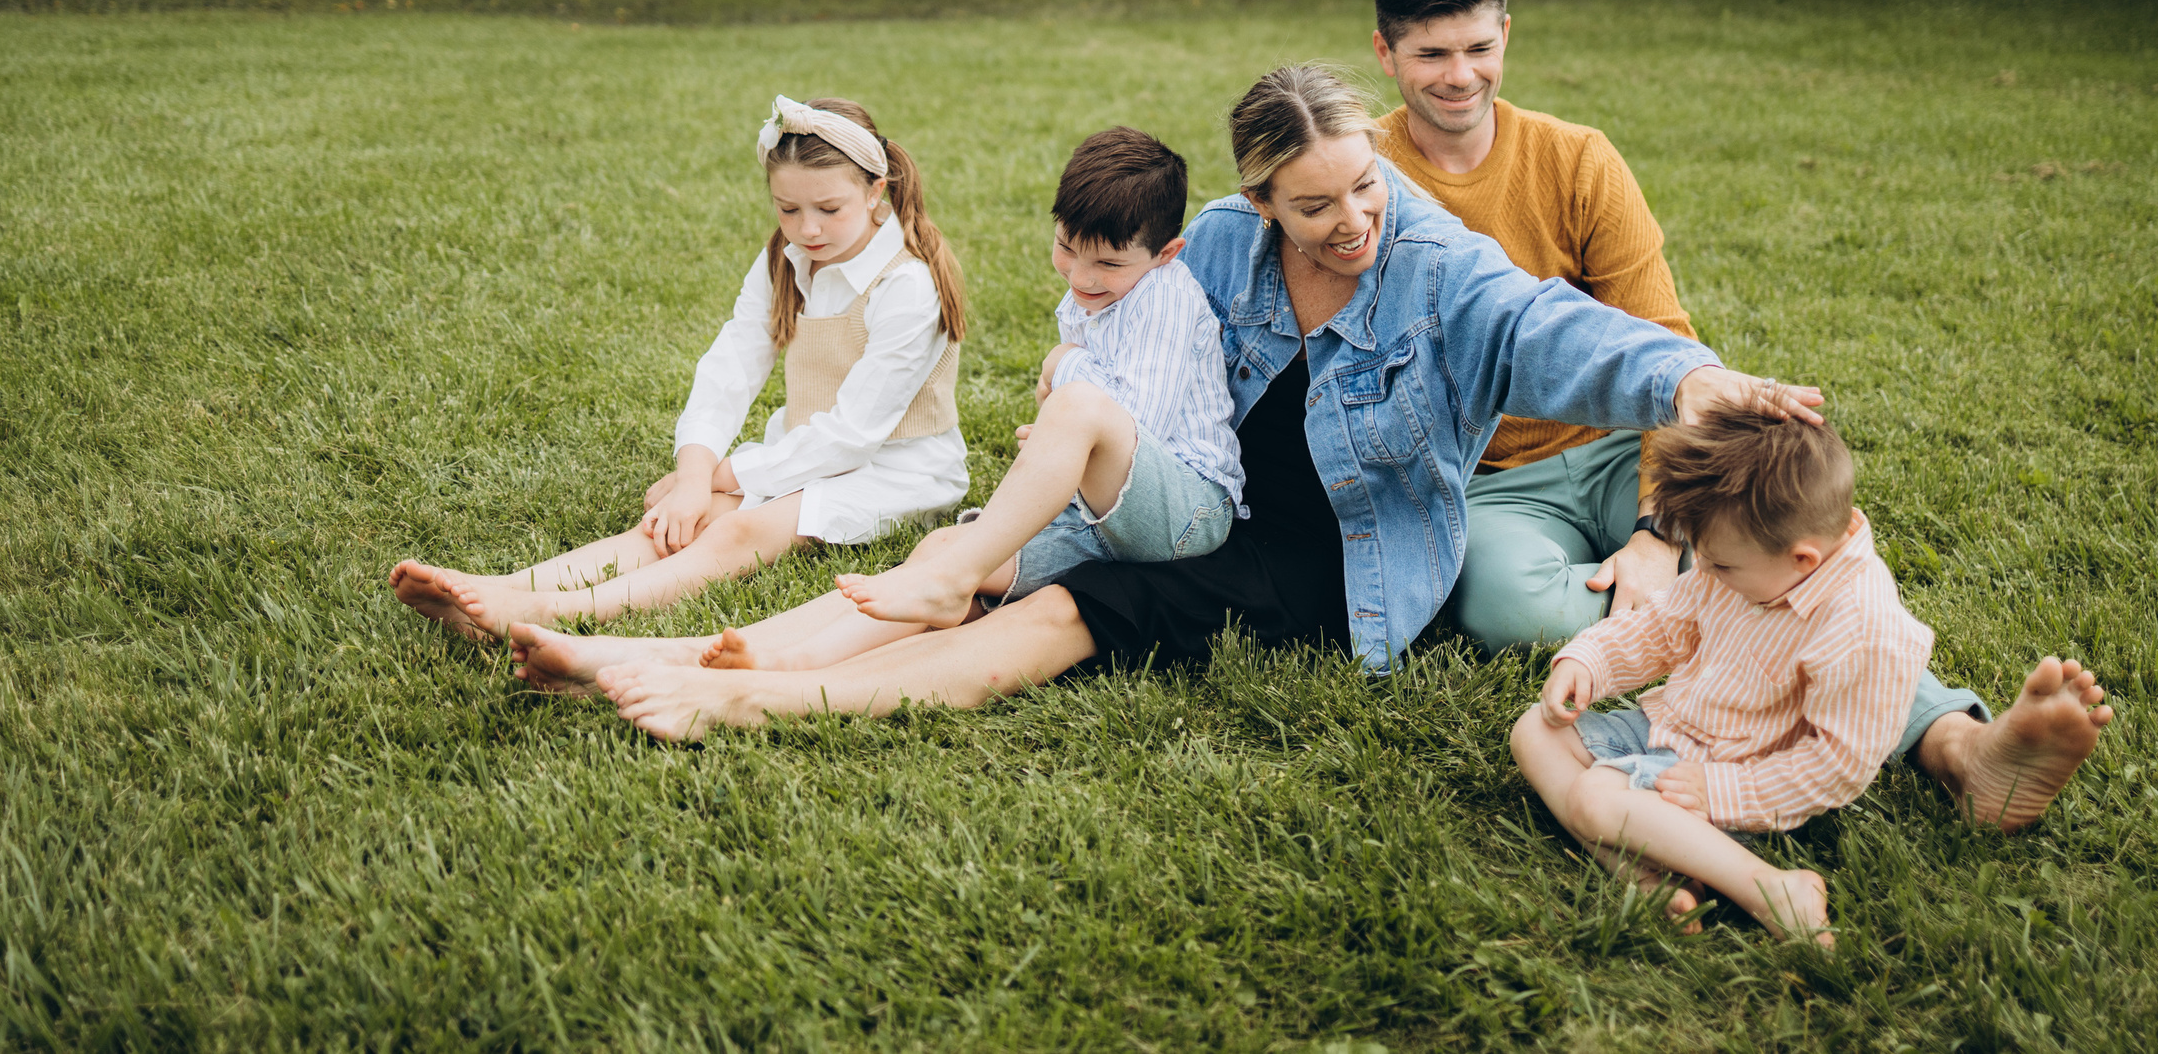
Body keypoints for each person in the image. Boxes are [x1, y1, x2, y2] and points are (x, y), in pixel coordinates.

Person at [502, 64, 1825, 734]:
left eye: (1365, 186)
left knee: (1073, 606)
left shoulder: (1437, 269)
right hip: (1194, 499)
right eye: (1315, 204)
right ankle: (648, 656)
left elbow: (1558, 327)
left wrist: (1691, 373)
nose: (1353, 218)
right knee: (984, 564)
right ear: (1258, 201)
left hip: (1327, 556)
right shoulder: (1222, 245)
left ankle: (745, 696)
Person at [1371, 0, 2113, 829]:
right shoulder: (1364, 178)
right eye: (1432, 54)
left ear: (1508, 37)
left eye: (1479, 48)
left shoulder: (1576, 158)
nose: (1460, 74)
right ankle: (1740, 657)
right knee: (1503, 606)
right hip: (1486, 480)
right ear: (1385, 52)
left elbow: (1663, 342)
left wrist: (1653, 533)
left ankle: (1960, 747)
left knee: (1754, 551)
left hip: (1622, 448)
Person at [387, 95, 969, 638]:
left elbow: (854, 436)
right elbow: (730, 366)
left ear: (875, 192)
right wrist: (694, 477)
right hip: (807, 455)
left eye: (828, 208)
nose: (807, 228)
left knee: (738, 528)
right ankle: (505, 589)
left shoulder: (906, 286)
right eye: (787, 208)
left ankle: (545, 611)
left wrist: (723, 475)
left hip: (898, 472)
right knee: (683, 517)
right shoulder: (788, 260)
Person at [1510, 410, 1930, 943]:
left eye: (1721, 566)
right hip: (1669, 731)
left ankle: (1771, 887)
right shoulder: (1737, 559)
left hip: (1740, 777)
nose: (1702, 572)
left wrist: (1721, 789)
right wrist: (1588, 661)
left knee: (1594, 797)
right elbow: (1664, 626)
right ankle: (1645, 874)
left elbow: (1836, 765)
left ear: (1803, 560)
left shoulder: (1864, 628)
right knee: (1533, 731)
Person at [837, 126, 1243, 630]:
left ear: (1167, 253)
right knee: (941, 548)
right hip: (1099, 515)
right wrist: (1060, 442)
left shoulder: (1164, 297)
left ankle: (949, 582)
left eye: (1108, 263)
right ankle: (791, 659)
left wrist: (1062, 361)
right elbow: (1089, 420)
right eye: (1067, 248)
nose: (1080, 278)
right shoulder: (1104, 292)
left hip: (1187, 512)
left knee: (1072, 409)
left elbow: (1137, 425)